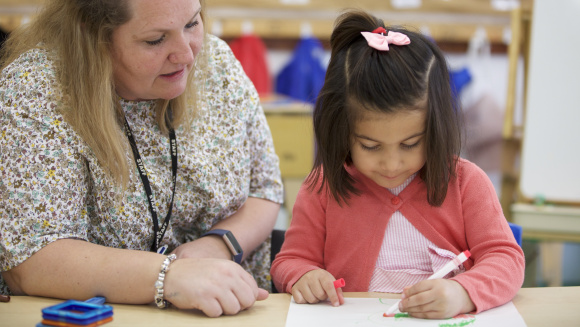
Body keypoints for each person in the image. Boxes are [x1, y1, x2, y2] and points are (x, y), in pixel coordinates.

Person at [0, 0, 284, 317]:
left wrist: (217, 246)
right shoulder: (35, 91)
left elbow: (265, 188)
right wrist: (169, 275)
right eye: (155, 40)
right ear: (94, 36)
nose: (187, 55)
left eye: (192, 23)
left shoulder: (216, 63)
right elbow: (30, 259)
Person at [271, 10, 525, 319]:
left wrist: (464, 292)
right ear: (341, 130)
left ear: (436, 127)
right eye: (370, 146)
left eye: (410, 144)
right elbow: (289, 261)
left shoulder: (466, 182)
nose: (391, 163)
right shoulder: (323, 186)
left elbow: (506, 259)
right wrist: (304, 276)